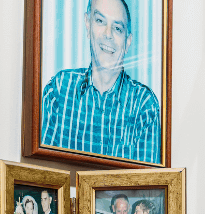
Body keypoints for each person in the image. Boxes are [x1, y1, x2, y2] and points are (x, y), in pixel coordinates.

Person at [40, 0, 160, 164]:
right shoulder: (59, 90)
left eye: (117, 28)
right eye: (100, 21)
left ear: (128, 42)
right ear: (88, 24)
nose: (108, 34)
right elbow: (43, 176)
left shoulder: (144, 105)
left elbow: (146, 186)